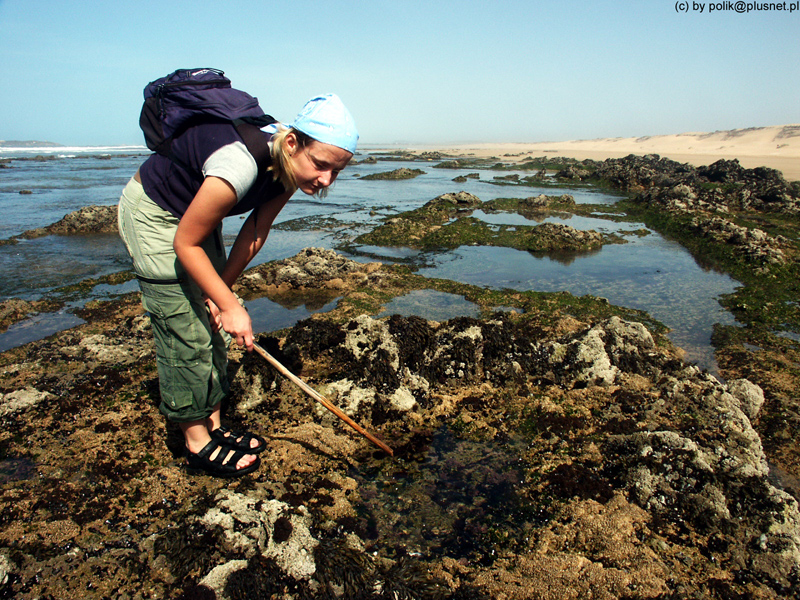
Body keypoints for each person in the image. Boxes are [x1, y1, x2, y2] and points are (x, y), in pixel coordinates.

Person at [118, 93, 358, 478]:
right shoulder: (240, 164)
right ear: (293, 143)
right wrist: (231, 305)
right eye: (321, 165)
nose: (326, 179)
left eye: (336, 171)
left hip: (191, 215)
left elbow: (256, 231)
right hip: (156, 214)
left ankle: (212, 423)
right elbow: (184, 243)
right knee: (185, 328)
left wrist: (222, 296)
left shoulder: (289, 168)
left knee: (210, 322)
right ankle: (196, 441)